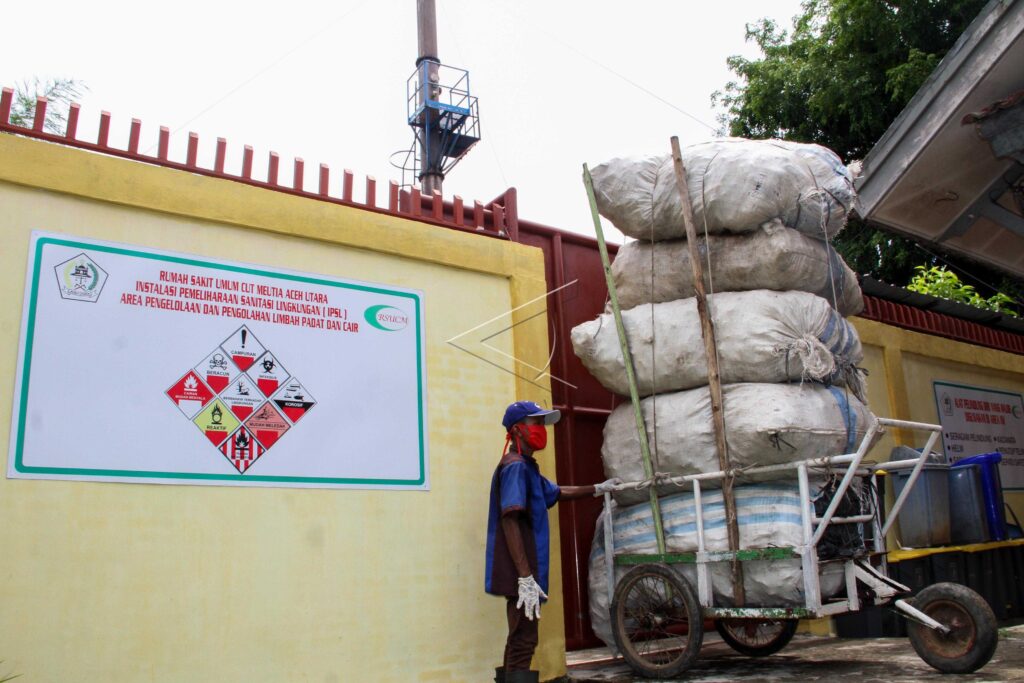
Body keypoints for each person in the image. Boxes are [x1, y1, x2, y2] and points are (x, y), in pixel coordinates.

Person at [485, 401, 619, 683]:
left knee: (519, 637)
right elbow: (510, 519)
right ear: (517, 430)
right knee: (524, 641)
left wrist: (598, 489)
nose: (542, 430)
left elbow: (556, 492)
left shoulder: (526, 468)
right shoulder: (515, 468)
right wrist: (525, 577)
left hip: (526, 571)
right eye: (536, 423)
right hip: (522, 572)